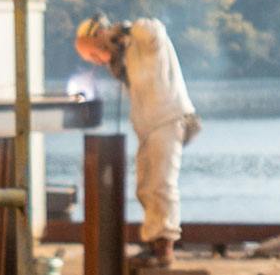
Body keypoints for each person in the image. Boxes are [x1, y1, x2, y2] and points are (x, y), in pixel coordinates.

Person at [76, 15, 202, 265]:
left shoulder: (142, 38)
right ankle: (153, 241)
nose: (99, 59)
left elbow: (154, 30)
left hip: (168, 118)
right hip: (147, 127)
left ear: (101, 35)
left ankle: (164, 246)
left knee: (161, 184)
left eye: (96, 52)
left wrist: (125, 29)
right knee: (145, 185)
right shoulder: (126, 56)